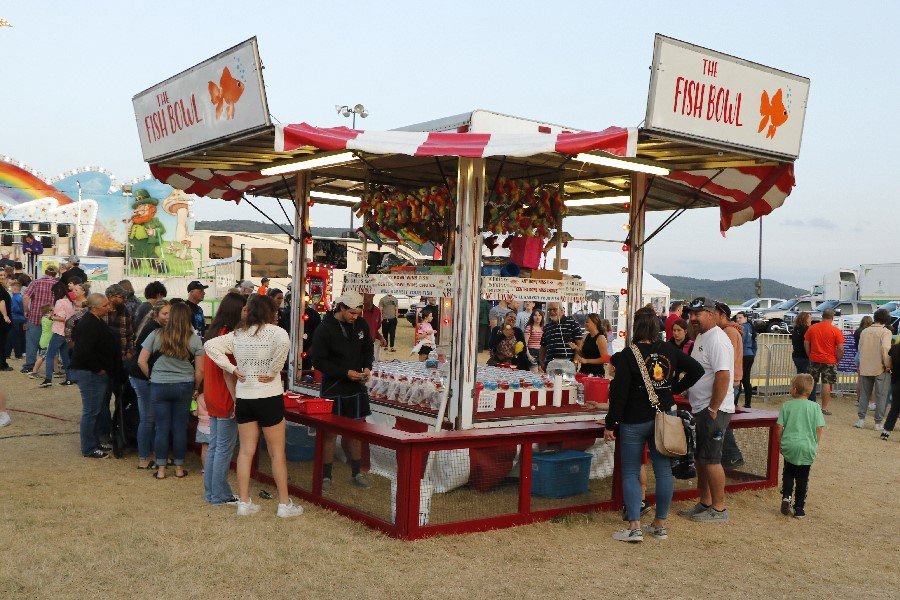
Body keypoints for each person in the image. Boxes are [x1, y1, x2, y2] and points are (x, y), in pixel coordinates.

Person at [605, 306, 704, 542]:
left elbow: (619, 393)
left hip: (634, 418)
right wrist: (674, 389)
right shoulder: (669, 349)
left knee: (630, 471)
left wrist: (610, 423)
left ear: (636, 326)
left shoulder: (629, 354)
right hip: (664, 417)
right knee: (663, 472)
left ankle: (634, 527)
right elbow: (696, 369)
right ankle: (660, 525)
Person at [204, 294, 303, 517]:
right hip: (269, 397)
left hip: (245, 398)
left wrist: (231, 368)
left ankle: (244, 502)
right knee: (277, 454)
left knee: (245, 452)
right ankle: (284, 504)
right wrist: (273, 369)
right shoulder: (277, 332)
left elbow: (210, 345)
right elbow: (285, 344)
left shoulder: (238, 334)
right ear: (270, 312)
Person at [310, 291, 374, 490]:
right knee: (329, 434)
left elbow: (368, 348)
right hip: (333, 386)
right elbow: (318, 360)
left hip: (356, 386)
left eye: (358, 313)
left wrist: (367, 367)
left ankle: (357, 472)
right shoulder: (324, 328)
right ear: (342, 307)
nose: (355, 317)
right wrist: (344, 373)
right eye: (352, 313)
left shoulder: (361, 324)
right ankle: (326, 476)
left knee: (356, 431)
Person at [679, 297, 735, 522]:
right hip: (701, 407)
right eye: (691, 314)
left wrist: (713, 407)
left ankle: (719, 509)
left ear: (711, 314)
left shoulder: (717, 340)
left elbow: (723, 375)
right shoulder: (703, 336)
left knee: (711, 459)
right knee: (702, 458)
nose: (693, 318)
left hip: (713, 410)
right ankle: (705, 502)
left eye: (697, 314)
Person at [138, 302, 204, 480]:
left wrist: (152, 376)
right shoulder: (193, 339)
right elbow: (200, 371)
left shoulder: (156, 334)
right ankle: (179, 468)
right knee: (180, 428)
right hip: (184, 385)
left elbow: (141, 361)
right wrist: (195, 387)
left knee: (161, 427)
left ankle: (161, 469)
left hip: (159, 384)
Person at [202, 293, 246, 505]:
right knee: (223, 449)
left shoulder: (214, 332)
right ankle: (219, 494)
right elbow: (229, 373)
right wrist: (237, 400)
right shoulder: (229, 337)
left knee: (215, 446)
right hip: (225, 396)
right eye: (244, 309)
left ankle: (212, 492)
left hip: (213, 394)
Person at [69, 293, 117, 458]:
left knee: (96, 410)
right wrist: (98, 368)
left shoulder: (94, 321)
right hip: (90, 373)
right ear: (95, 308)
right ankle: (89, 447)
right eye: (105, 305)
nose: (108, 308)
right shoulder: (89, 323)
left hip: (93, 372)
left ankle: (95, 442)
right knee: (91, 411)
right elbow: (84, 351)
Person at [128, 300, 170, 469]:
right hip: (142, 377)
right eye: (165, 313)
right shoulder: (152, 329)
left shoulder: (156, 327)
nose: (168, 317)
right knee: (147, 418)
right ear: (156, 314)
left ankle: (153, 453)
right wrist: (152, 379)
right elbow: (142, 361)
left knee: (152, 418)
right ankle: (144, 456)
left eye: (170, 313)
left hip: (146, 377)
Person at [776, 374, 826, 519]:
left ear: (794, 389)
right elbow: (819, 428)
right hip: (807, 446)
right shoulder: (815, 407)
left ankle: (786, 496)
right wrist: (815, 443)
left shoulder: (787, 406)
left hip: (790, 444)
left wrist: (780, 442)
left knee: (788, 472)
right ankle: (799, 508)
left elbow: (779, 426)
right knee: (803, 478)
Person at [855, 308, 892, 430]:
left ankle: (861, 420)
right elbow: (885, 349)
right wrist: (887, 365)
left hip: (865, 366)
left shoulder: (864, 331)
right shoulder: (886, 332)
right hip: (880, 367)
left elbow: (860, 348)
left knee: (864, 394)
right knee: (881, 395)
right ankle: (878, 423)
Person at [41, 282, 84, 387]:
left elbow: (62, 318)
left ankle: (48, 379)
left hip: (59, 331)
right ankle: (69, 379)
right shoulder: (70, 302)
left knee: (50, 355)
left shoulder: (59, 302)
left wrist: (51, 317)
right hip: (67, 332)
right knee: (65, 357)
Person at [804, 308, 844, 416]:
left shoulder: (812, 328)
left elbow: (806, 343)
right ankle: (824, 408)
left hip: (814, 358)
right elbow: (840, 348)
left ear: (822, 316)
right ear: (832, 317)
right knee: (826, 383)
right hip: (829, 360)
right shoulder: (836, 330)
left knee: (811, 382)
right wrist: (838, 359)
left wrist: (809, 355)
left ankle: (808, 406)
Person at [21, 265, 58, 373]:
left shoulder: (35, 282)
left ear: (45, 272)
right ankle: (52, 367)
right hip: (51, 319)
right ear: (55, 274)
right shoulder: (57, 285)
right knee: (50, 343)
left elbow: (26, 297)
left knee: (32, 343)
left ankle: (29, 366)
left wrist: (26, 310)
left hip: (35, 317)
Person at [540, 301, 583, 368]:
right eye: (550, 310)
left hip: (568, 365)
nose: (551, 312)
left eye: (554, 309)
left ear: (562, 310)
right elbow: (543, 346)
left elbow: (579, 344)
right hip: (550, 365)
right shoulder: (547, 327)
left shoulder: (572, 324)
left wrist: (575, 362)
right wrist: (542, 362)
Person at [29, 305, 54, 379]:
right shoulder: (49, 319)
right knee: (42, 357)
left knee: (54, 356)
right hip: (46, 341)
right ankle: (34, 372)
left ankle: (56, 370)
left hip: (45, 340)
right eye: (53, 310)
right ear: (49, 311)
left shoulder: (44, 318)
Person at [882, 340, 900, 440]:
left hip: (896, 381)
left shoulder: (894, 348)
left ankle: (886, 432)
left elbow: (888, 364)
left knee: (894, 408)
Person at [361, 293, 387, 359]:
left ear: (373, 294)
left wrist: (381, 338)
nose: (363, 296)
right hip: (358, 348)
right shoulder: (358, 311)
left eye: (366, 293)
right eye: (361, 293)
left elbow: (374, 330)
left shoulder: (377, 311)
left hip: (370, 348)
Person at [5, 279, 26, 360]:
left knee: (13, 337)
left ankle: (16, 354)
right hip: (21, 319)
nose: (10, 289)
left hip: (15, 319)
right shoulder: (21, 297)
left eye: (11, 288)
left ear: (14, 289)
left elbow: (15, 309)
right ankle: (14, 353)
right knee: (17, 336)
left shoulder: (14, 298)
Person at [0, 269, 13, 371]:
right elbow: (1, 302)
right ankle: (2, 364)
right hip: (2, 321)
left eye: (4, 275)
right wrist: (5, 316)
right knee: (1, 342)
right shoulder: (0, 289)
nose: (2, 277)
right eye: (0, 275)